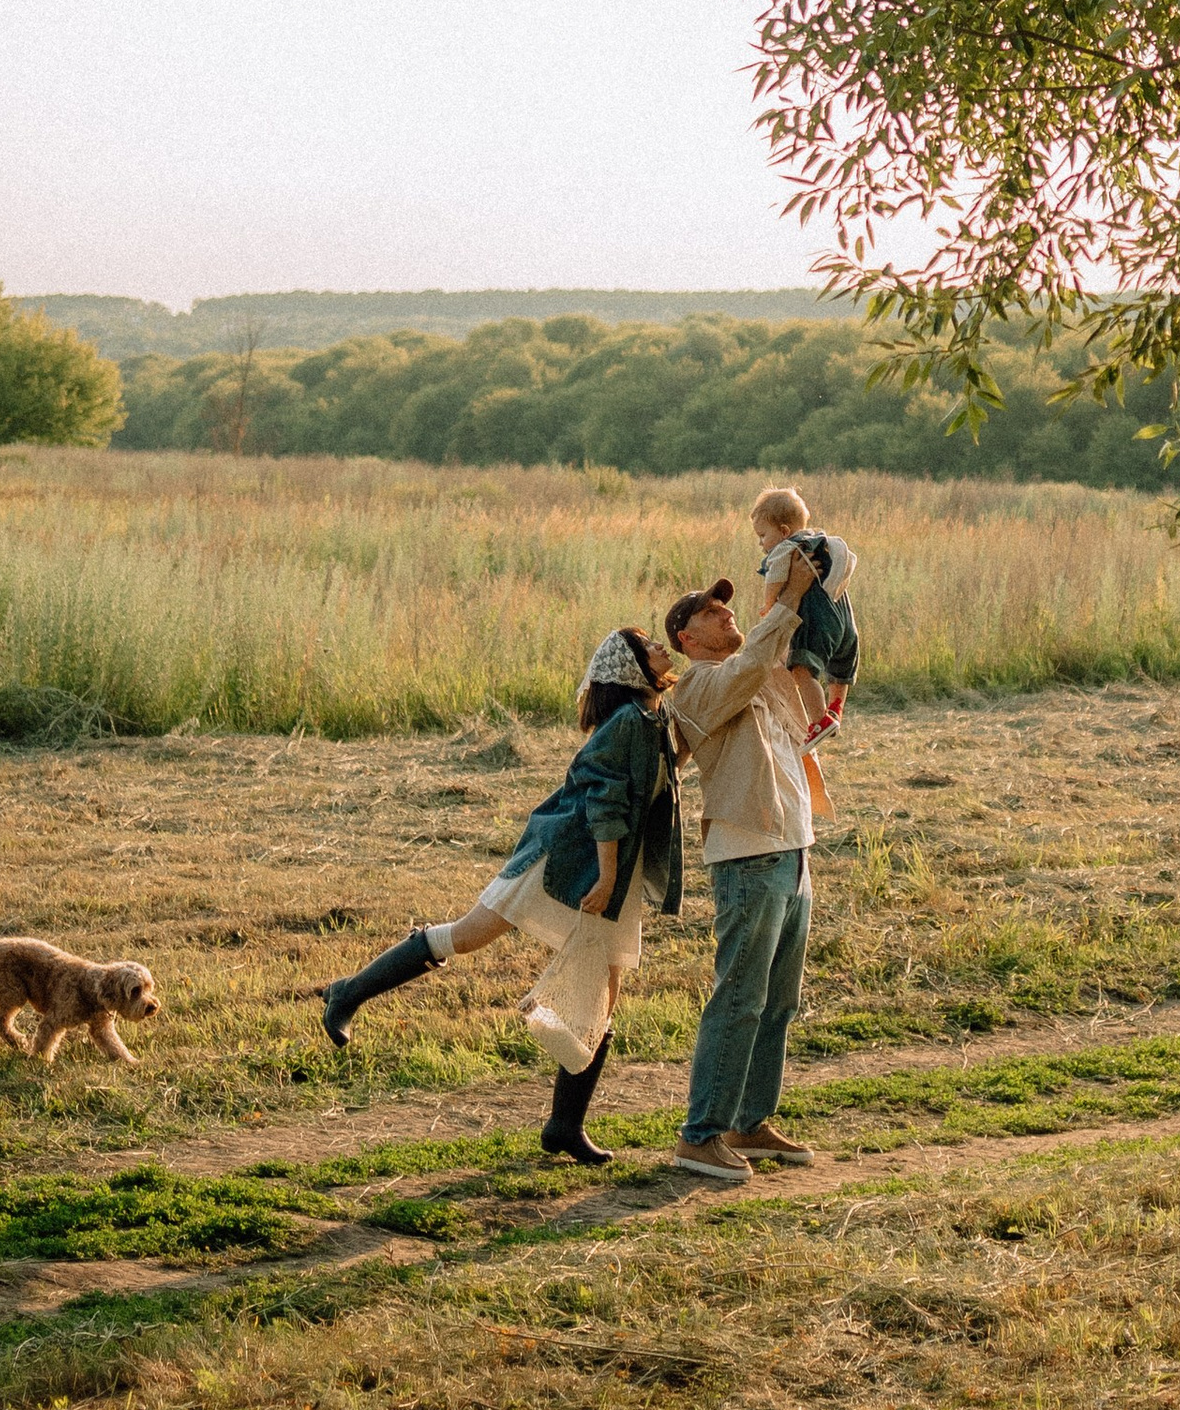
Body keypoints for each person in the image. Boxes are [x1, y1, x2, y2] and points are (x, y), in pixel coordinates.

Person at [319, 627, 682, 1165]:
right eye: (647, 644)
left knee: (605, 994)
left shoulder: (652, 719)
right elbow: (604, 799)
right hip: (562, 858)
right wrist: (605, 878)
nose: (659, 646)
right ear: (629, 668)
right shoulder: (628, 722)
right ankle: (346, 993)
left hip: (609, 869)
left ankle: (564, 1125)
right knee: (468, 935)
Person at [662, 552, 824, 1188]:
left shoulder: (747, 677)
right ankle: (700, 1134)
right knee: (740, 996)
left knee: (777, 999)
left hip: (790, 845)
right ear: (688, 637)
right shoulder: (699, 685)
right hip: (747, 852)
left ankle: (748, 1122)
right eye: (712, 609)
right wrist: (787, 601)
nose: (727, 611)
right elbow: (756, 657)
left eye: (728, 605)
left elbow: (802, 721)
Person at [749, 482, 860, 741]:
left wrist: (769, 602)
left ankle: (820, 719)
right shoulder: (825, 542)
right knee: (840, 669)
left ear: (784, 531)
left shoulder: (787, 548)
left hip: (817, 620)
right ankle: (835, 708)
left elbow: (774, 577)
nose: (761, 544)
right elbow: (849, 562)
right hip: (844, 618)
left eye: (763, 536)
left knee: (801, 667)